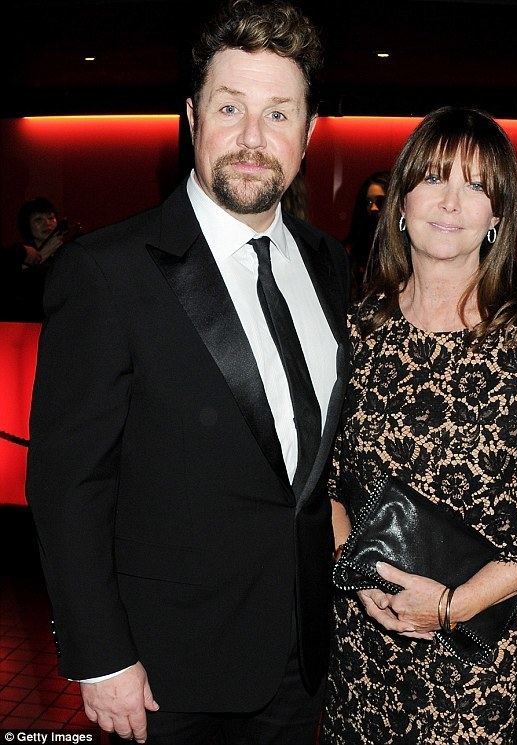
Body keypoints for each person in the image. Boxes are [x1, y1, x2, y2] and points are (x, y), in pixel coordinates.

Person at [26, 2, 349, 744]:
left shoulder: (328, 261)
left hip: (299, 655)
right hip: (168, 672)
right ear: (191, 115)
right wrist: (99, 655)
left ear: (307, 132)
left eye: (278, 113)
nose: (251, 138)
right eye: (229, 107)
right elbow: (68, 482)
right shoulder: (106, 271)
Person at [322, 106, 517, 743]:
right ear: (401, 199)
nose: (451, 202)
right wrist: (360, 580)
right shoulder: (362, 328)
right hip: (365, 639)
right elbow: (329, 481)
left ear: (499, 213)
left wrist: (452, 606)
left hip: (474, 656)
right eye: (434, 178)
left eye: (476, 186)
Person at [1, 197, 67, 320]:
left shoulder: (67, 254)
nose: (47, 223)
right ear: (27, 226)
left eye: (51, 218)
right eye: (38, 220)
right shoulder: (18, 254)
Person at [345, 170, 390, 298]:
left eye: (380, 201)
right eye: (369, 202)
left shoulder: (404, 246)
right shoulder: (355, 247)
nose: (373, 208)